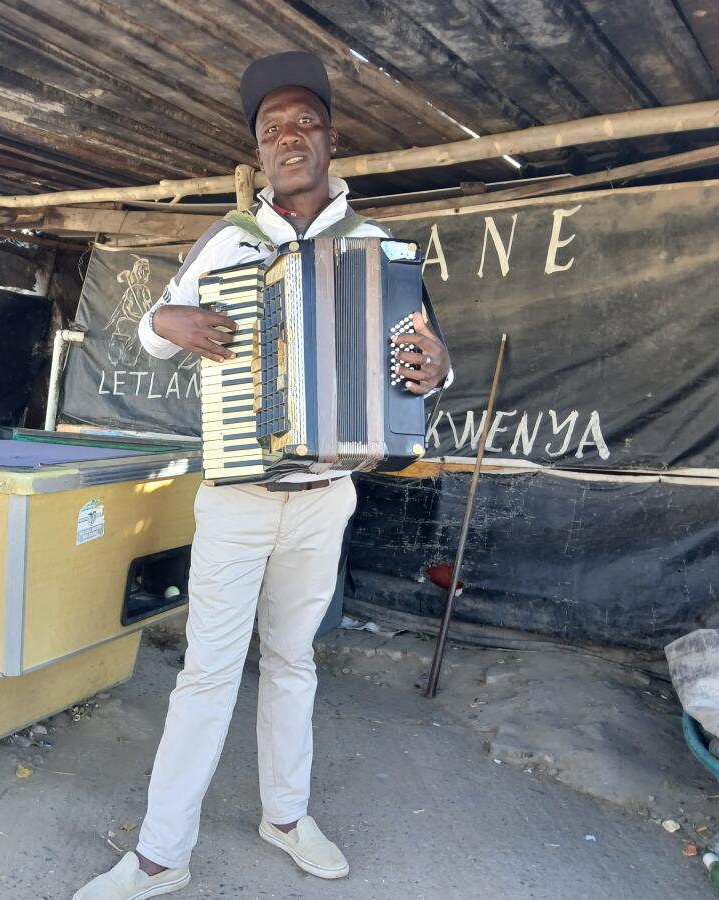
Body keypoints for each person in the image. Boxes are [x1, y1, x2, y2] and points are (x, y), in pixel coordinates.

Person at [74, 50, 452, 900]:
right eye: (272, 129)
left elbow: (425, 358)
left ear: (330, 140)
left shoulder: (381, 250)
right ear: (260, 148)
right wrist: (170, 316)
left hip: (326, 498)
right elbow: (152, 335)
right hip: (238, 496)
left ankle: (285, 816)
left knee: (293, 663)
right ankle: (161, 856)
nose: (290, 138)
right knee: (208, 672)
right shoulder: (227, 240)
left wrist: (440, 367)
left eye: (304, 124)